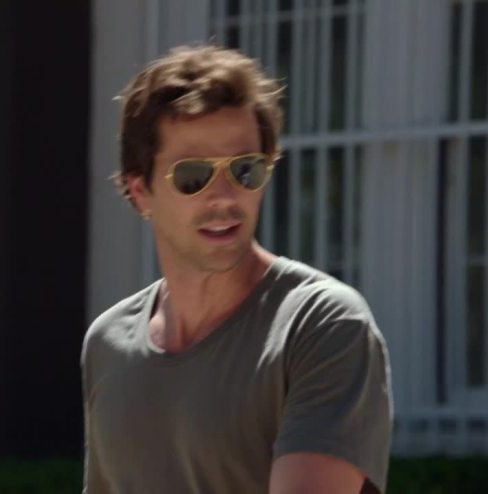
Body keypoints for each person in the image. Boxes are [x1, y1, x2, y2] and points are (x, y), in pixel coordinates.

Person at [81, 45, 392, 494]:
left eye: (246, 170)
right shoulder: (107, 344)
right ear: (141, 191)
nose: (225, 197)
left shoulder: (322, 325)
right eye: (193, 176)